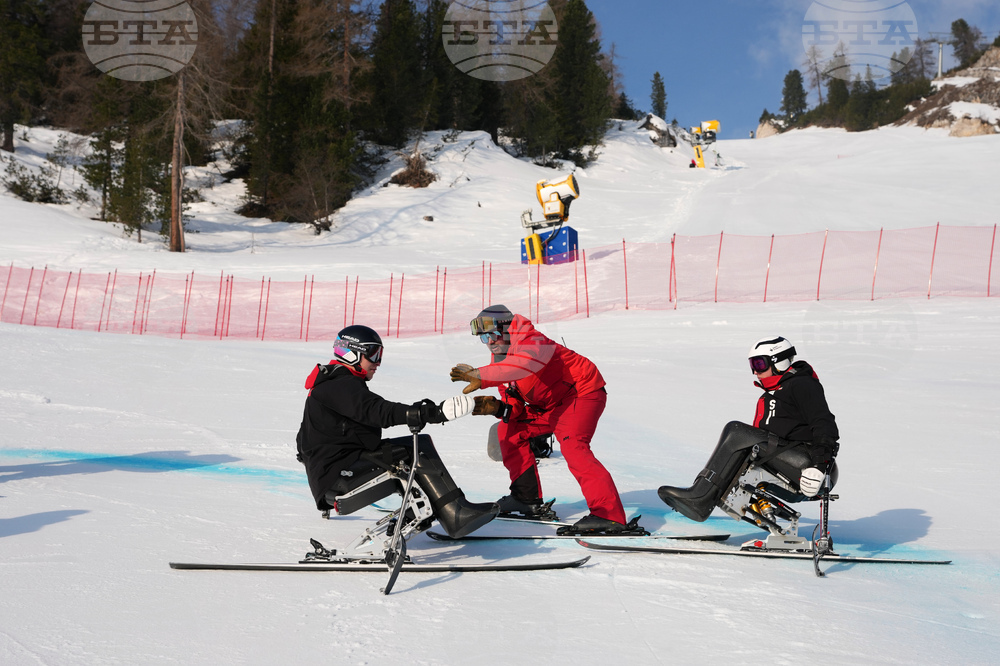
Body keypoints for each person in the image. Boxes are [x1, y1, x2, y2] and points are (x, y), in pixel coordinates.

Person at [450, 305, 644, 536]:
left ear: (508, 328)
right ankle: (526, 499)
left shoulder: (532, 341)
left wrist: (482, 376)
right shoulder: (500, 361)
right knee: (509, 431)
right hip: (549, 406)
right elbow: (514, 403)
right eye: (483, 338)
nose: (490, 342)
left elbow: (523, 365)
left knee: (573, 446)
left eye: (492, 334)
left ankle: (608, 515)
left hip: (580, 394)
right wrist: (499, 408)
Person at [296, 324, 498, 539]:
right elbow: (378, 411)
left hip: (333, 474)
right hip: (339, 478)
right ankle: (453, 514)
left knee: (403, 451)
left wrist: (318, 467)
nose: (378, 363)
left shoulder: (332, 383)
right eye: (373, 354)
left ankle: (435, 509)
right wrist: (430, 413)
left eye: (380, 355)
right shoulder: (339, 385)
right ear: (352, 353)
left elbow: (303, 440)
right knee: (417, 449)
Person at [658, 336, 840, 522]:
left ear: (779, 362)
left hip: (808, 464)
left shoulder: (802, 384)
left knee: (736, 432)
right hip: (791, 457)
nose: (755, 371)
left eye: (760, 364)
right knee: (741, 444)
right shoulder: (778, 390)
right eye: (752, 364)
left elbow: (825, 425)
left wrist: (819, 465)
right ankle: (703, 497)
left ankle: (700, 496)